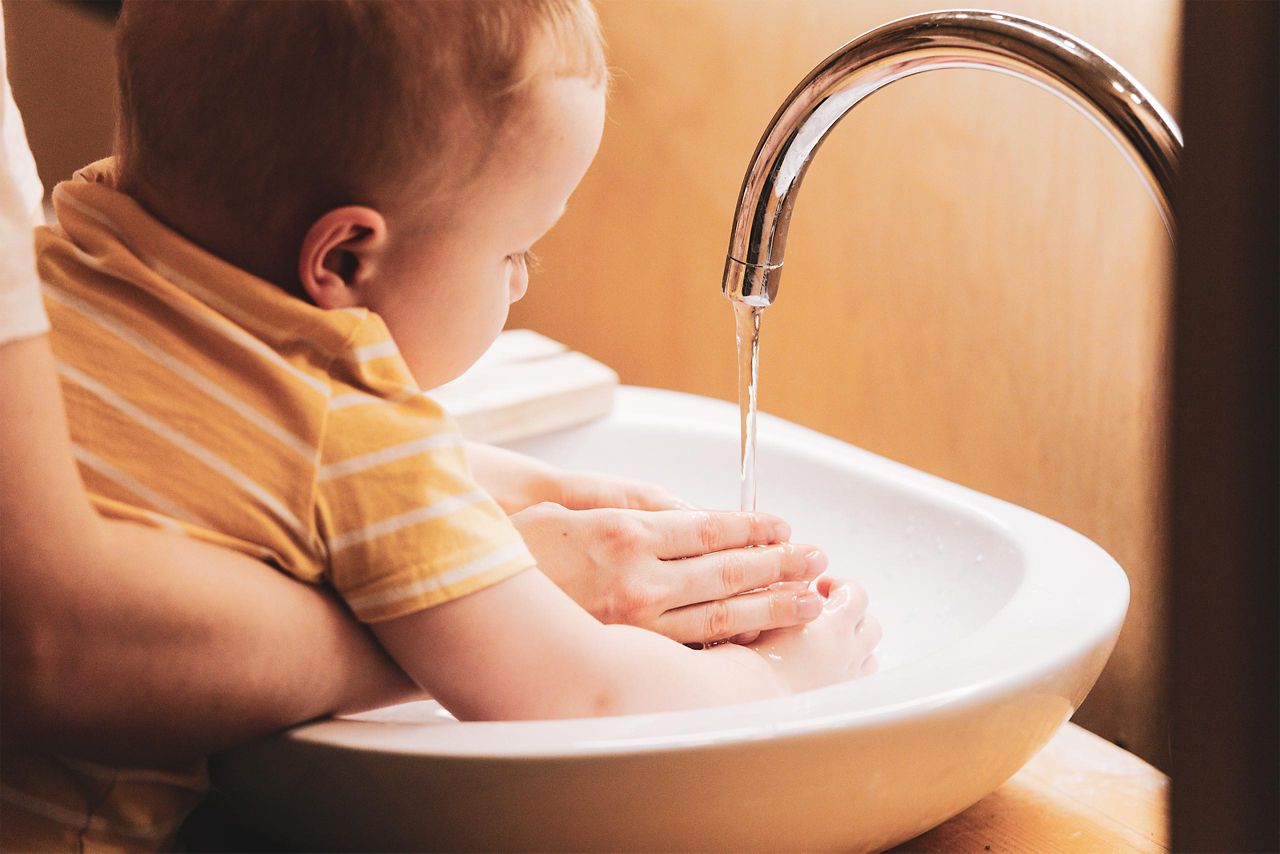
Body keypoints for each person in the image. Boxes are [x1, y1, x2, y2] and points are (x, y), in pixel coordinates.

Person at [2, 0, 880, 849]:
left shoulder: (62, 259)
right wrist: (782, 676)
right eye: (514, 252)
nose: (522, 283)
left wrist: (521, 486)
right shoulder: (350, 428)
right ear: (344, 257)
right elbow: (586, 694)